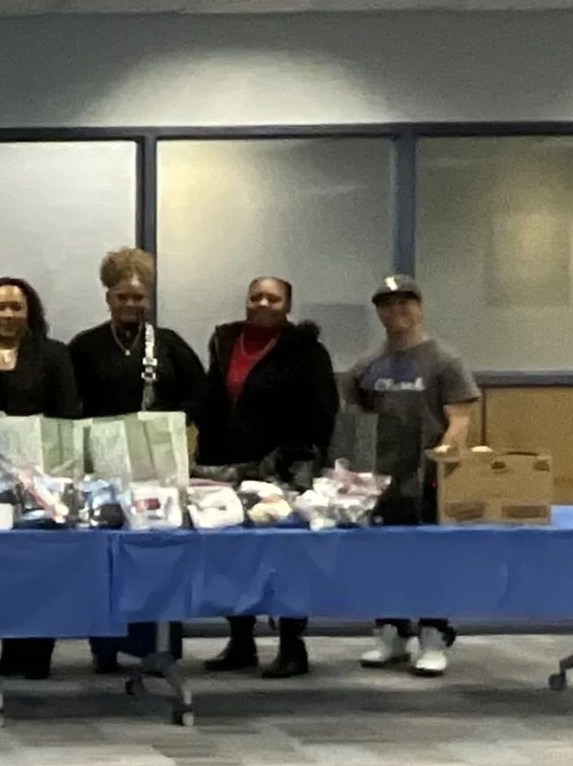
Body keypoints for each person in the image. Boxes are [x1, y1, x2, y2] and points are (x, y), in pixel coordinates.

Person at [68, 249, 207, 674]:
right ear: (107, 297)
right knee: (107, 557)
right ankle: (107, 646)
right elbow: (72, 404)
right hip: (103, 469)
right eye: (121, 297)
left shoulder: (168, 344)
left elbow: (201, 394)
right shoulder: (85, 346)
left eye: (138, 298)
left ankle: (161, 643)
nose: (130, 305)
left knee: (159, 555)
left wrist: (173, 425)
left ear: (148, 299)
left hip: (157, 469)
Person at [196, 276, 339, 679]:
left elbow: (323, 412)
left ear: (287, 305)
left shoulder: (308, 351)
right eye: (255, 296)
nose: (263, 303)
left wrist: (297, 461)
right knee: (231, 556)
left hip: (283, 470)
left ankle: (292, 646)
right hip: (226, 466)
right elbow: (212, 400)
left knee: (285, 561)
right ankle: (241, 642)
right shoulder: (225, 342)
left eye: (273, 298)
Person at [345, 274, 480, 677]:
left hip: (429, 479)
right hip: (382, 480)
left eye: (405, 302)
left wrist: (443, 454)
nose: (396, 310)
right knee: (384, 557)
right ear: (379, 312)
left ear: (419, 307)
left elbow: (460, 420)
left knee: (432, 557)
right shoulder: (366, 366)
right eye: (387, 304)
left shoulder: (444, 361)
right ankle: (390, 631)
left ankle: (434, 636)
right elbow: (356, 420)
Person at [0, 277, 82, 680]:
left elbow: (67, 414)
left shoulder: (54, 355)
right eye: (0, 307)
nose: (8, 315)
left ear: (30, 313)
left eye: (16, 307)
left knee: (39, 566)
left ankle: (36, 653)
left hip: (43, 479)